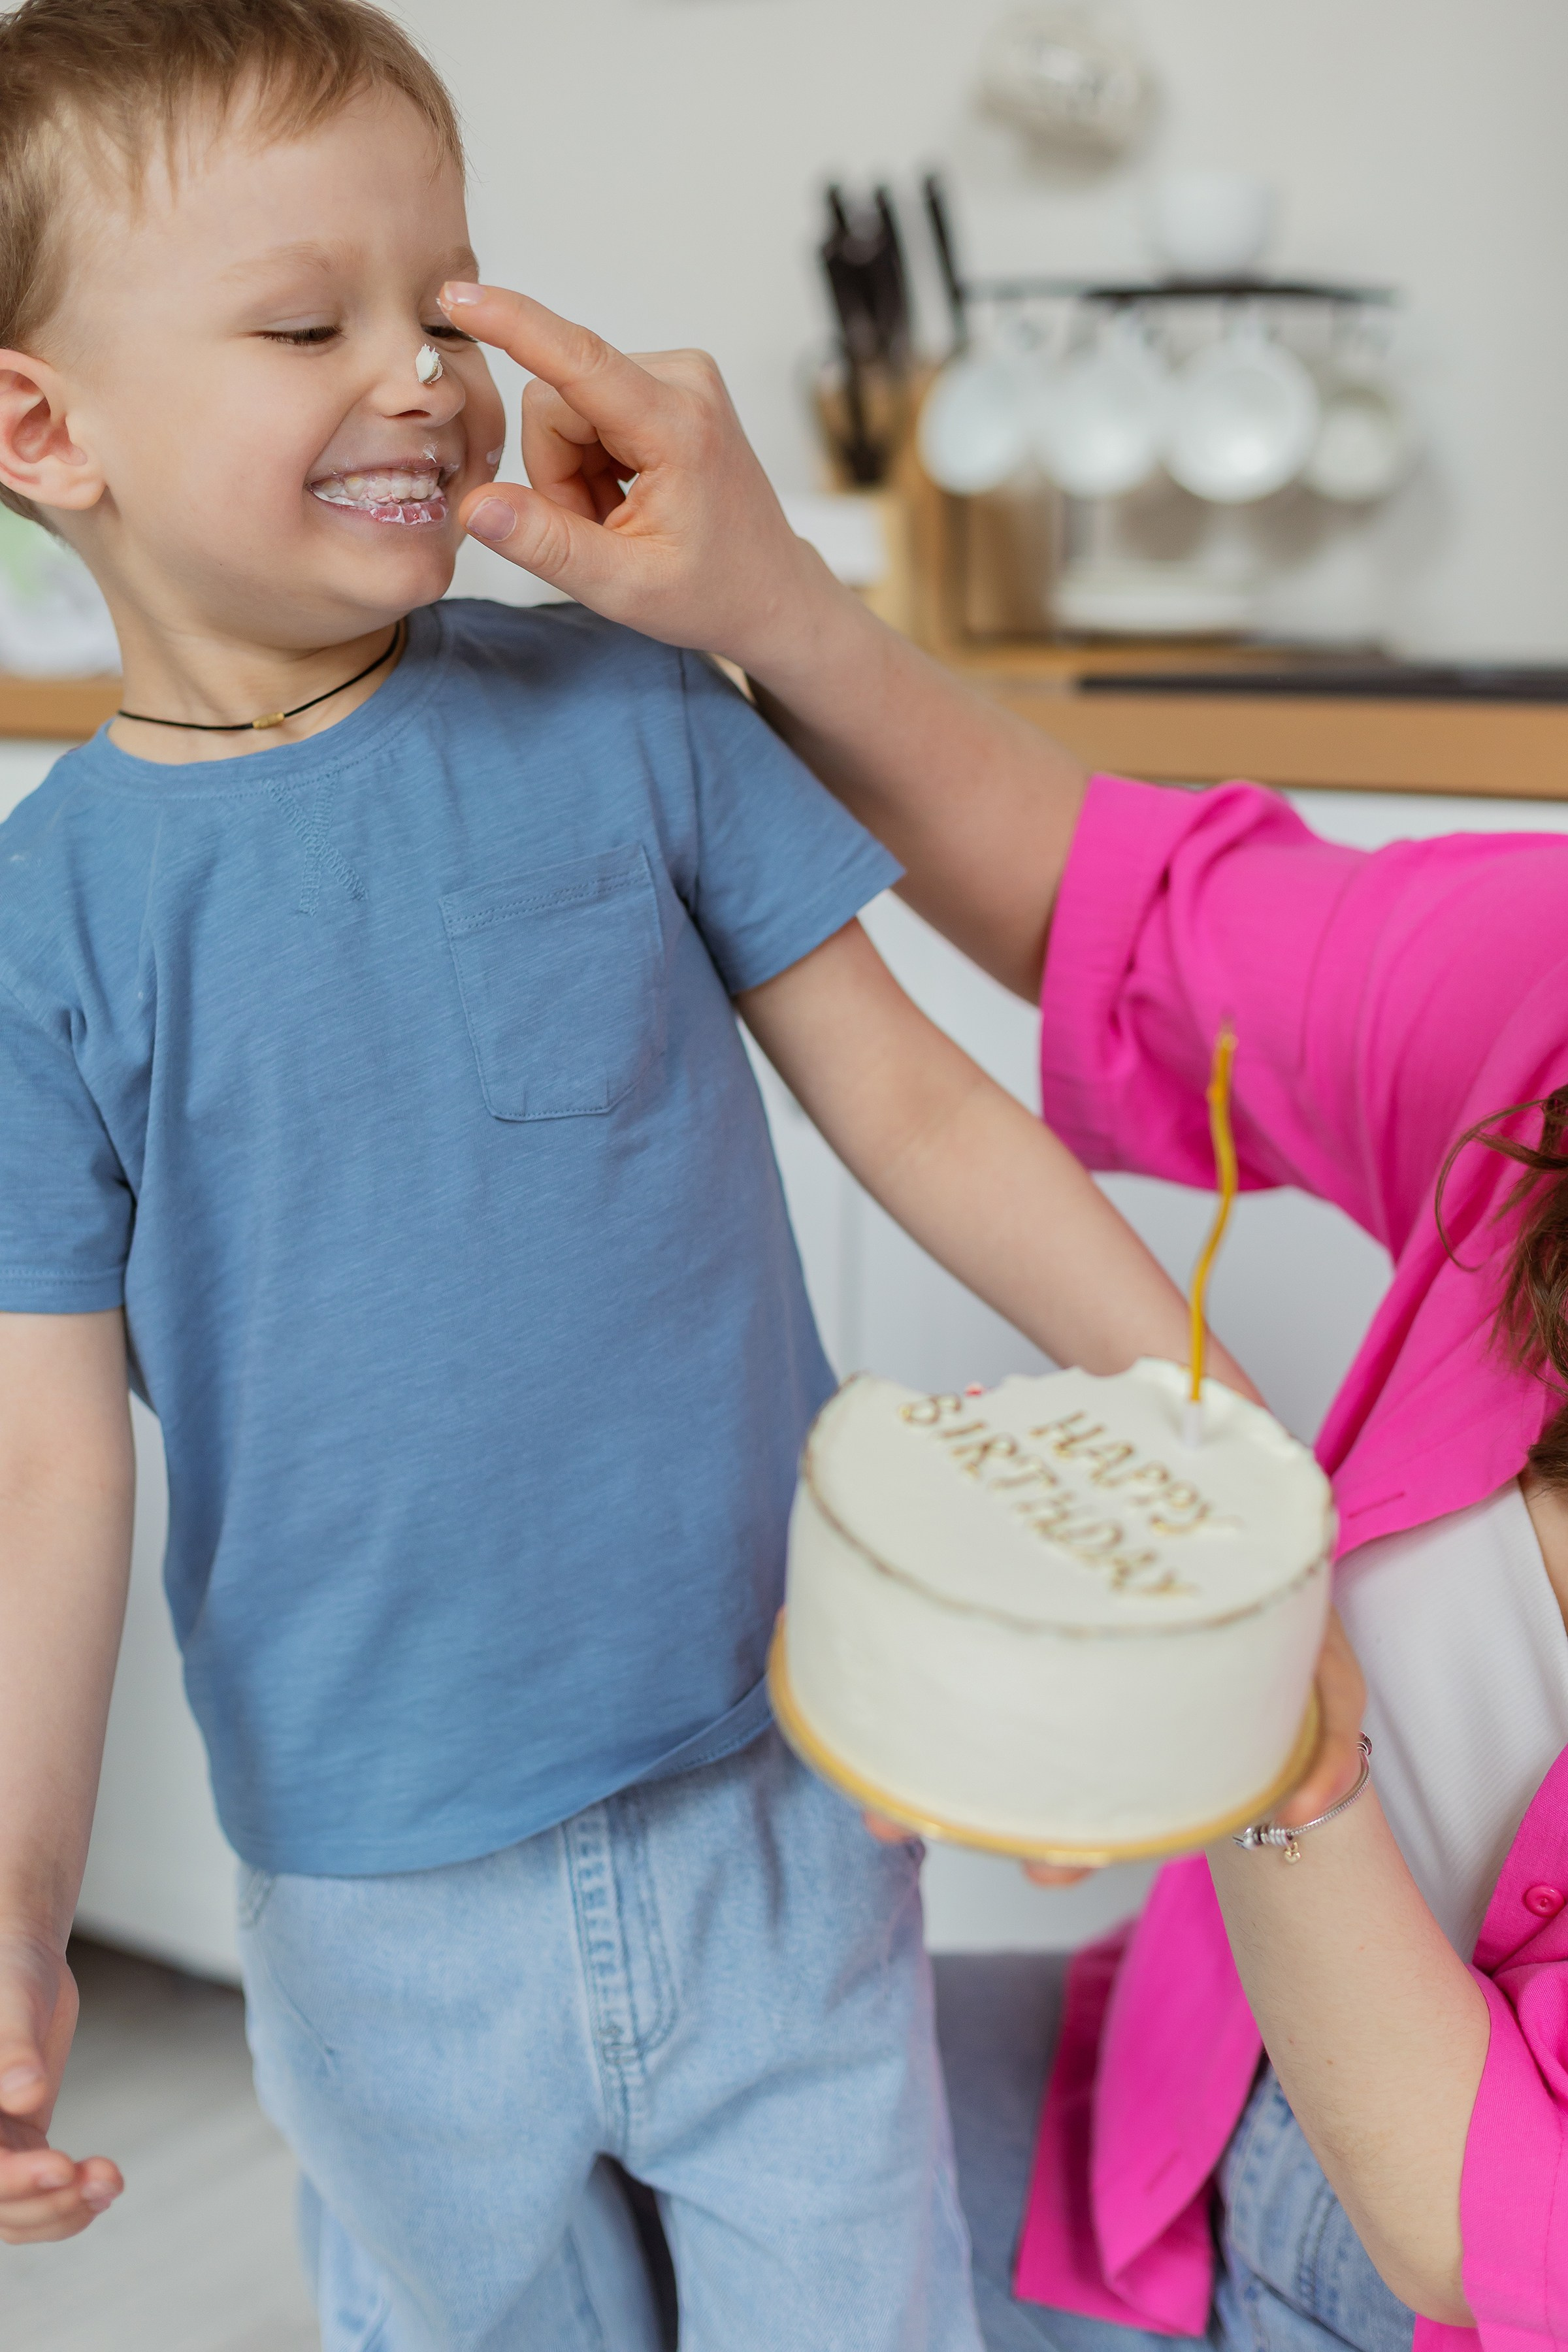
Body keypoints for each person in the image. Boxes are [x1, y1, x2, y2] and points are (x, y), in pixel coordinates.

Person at [0, 7, 1261, 2349]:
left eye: (442, 300)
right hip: (379, 1903)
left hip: (776, 1786)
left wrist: (1204, 1412)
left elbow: (919, 1109)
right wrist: (17, 1898)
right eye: (307, 323)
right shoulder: (41, 933)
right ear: (40, 428)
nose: (419, 374)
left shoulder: (630, 705)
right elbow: (45, 1473)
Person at [439, 287, 1568, 2352]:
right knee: (542, 2163)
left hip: (1404, 2265)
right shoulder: (1544, 1020)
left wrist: (1246, 1717)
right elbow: (1122, 913)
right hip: (1183, 2099)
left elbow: (1467, 2230)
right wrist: (774, 603)